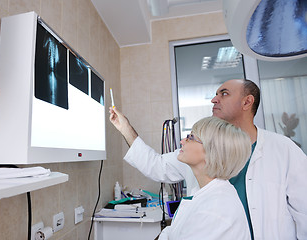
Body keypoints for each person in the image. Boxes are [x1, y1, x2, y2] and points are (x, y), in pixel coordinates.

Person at [109, 79, 307, 240]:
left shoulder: (283, 149)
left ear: (247, 102)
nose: (214, 99)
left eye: (224, 93)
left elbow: (304, 210)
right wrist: (125, 128)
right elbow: (156, 165)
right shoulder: (199, 150)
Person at [158, 116, 251, 239]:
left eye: (190, 137)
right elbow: (174, 231)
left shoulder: (215, 208)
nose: (182, 141)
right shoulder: (206, 193)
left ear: (211, 150)